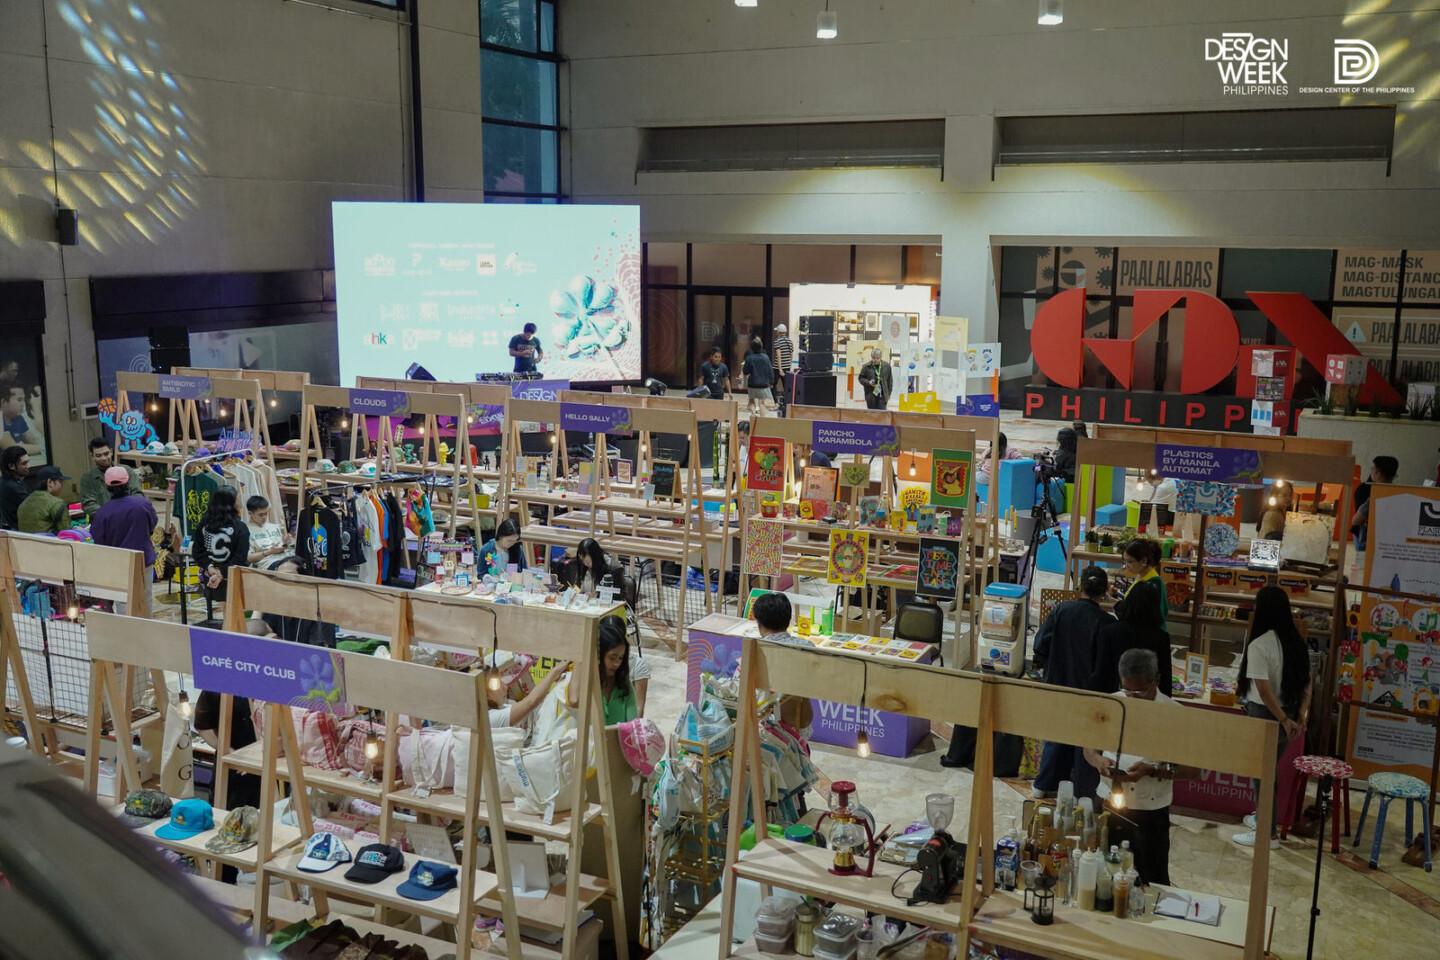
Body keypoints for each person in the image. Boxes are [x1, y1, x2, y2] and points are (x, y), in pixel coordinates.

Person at [1083, 649, 1195, 886]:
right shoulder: (1110, 704)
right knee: (1101, 872)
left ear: (1157, 680)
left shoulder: (1176, 715)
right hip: (1108, 801)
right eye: (1128, 690)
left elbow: (1193, 771)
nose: (1133, 697)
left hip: (1150, 810)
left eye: (1141, 691)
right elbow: (1088, 748)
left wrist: (1153, 770)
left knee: (1151, 880)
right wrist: (1099, 761)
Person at [1022, 565, 1115, 790]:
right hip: (1090, 692)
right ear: (1105, 591)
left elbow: (1040, 645)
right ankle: (1082, 790)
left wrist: (1050, 666)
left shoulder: (1062, 610)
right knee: (1086, 741)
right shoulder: (1107, 622)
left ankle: (1044, 784)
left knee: (1057, 735)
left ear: (1080, 586)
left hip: (1057, 684)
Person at [1233, 586, 1312, 849]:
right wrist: (1299, 714)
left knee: (1262, 775)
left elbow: (1264, 692)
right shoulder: (1295, 641)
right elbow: (1308, 681)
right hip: (1290, 712)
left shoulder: (1259, 645)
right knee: (1270, 772)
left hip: (1268, 716)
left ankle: (1267, 834)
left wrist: (1283, 720)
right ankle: (1263, 818)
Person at [1089, 579, 1170, 694]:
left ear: (1128, 602)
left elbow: (1100, 674)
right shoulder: (1161, 637)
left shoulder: (1109, 632)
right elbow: (1165, 680)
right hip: (1147, 697)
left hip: (1114, 697)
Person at [569, 616, 640, 724]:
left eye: (620, 658)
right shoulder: (586, 682)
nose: (616, 664)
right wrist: (582, 657)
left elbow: (633, 724)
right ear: (599, 655)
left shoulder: (624, 685)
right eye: (612, 658)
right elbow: (574, 700)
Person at [192, 485, 250, 601]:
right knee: (233, 608)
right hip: (233, 576)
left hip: (211, 575)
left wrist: (210, 567)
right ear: (232, 502)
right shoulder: (240, 527)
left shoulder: (204, 524)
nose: (240, 497)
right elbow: (241, 556)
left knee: (224, 607)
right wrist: (221, 573)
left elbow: (197, 551)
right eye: (237, 496)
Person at [90, 466, 159, 563]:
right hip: (143, 560)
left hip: (118, 563)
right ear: (128, 483)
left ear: (107, 486)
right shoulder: (143, 504)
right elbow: (152, 524)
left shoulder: (102, 512)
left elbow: (98, 539)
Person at [485, 657, 573, 728]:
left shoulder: (503, 705)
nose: (505, 687)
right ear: (486, 696)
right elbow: (530, 702)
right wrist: (553, 673)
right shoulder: (490, 719)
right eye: (498, 685)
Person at [1350, 455, 1398, 561]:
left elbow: (1356, 520)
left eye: (1373, 468)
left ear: (1378, 474)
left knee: (1363, 565)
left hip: (1366, 539)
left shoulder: (1370, 494)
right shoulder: (1397, 493)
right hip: (1388, 541)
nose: (1371, 470)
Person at [79, 438, 140, 518]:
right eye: (98, 456)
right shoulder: (87, 477)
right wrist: (111, 513)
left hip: (128, 516)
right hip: (103, 520)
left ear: (111, 452)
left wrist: (125, 510)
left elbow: (138, 494)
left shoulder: (126, 470)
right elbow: (88, 505)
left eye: (106, 454)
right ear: (92, 457)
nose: (104, 458)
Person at [1115, 537, 1168, 625]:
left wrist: (1117, 606)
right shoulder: (1141, 576)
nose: (1126, 566)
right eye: (1125, 561)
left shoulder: (1153, 585)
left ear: (1144, 560)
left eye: (1130, 562)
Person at [557, 537, 623, 594]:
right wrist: (573, 592)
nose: (585, 564)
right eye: (582, 561)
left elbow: (618, 595)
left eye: (588, 562)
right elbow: (577, 586)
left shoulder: (614, 569)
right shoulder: (583, 565)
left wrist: (596, 595)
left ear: (596, 557)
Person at [16, 465, 71, 534]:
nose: (62, 485)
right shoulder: (57, 503)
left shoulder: (23, 504)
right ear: (50, 482)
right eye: (60, 481)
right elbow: (67, 533)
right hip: (48, 540)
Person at [245, 495, 288, 565]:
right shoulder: (246, 531)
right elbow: (249, 558)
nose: (264, 517)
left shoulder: (273, 527)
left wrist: (286, 543)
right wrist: (269, 552)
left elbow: (281, 546)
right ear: (250, 513)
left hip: (285, 557)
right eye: (260, 515)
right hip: (269, 562)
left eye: (266, 513)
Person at [0, 385, 43, 455]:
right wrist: (45, 447)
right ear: (4, 402)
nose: (23, 404)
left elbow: (33, 440)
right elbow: (13, 448)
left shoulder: (19, 418)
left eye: (24, 399)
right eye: (19, 400)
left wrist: (44, 445)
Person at [741, 336, 775, 418]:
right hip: (763, 384)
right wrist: (771, 382)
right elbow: (770, 371)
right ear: (761, 346)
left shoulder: (749, 358)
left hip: (752, 384)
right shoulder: (765, 357)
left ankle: (753, 415)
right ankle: (762, 419)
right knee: (762, 403)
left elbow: (745, 371)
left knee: (752, 401)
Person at [0, 446, 30, 530]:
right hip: (18, 531)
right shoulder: (12, 487)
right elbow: (34, 506)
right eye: (24, 463)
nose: (28, 466)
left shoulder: (10, 481)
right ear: (11, 466)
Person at [772, 324, 795, 414]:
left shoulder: (777, 341)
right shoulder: (790, 341)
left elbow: (778, 355)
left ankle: (776, 403)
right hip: (787, 367)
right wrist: (789, 365)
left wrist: (780, 369)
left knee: (772, 385)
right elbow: (791, 354)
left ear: (779, 332)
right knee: (786, 386)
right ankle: (786, 403)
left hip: (777, 367)